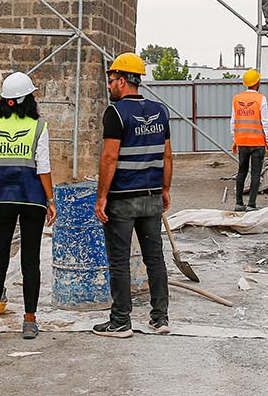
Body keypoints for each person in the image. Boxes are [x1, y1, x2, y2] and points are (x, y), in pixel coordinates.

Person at [93, 52, 172, 337]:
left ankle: (120, 321)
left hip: (123, 199)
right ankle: (160, 318)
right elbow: (167, 155)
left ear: (124, 81)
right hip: (151, 197)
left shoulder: (115, 113)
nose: (110, 85)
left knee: (119, 260)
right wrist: (165, 189)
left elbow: (109, 158)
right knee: (155, 259)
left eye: (112, 80)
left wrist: (101, 196)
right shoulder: (160, 111)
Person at [0, 70, 56, 344]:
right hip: (32, 199)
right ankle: (30, 322)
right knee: (30, 261)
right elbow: (43, 167)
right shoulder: (39, 128)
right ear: (26, 100)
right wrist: (50, 199)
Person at [231, 68, 268, 212]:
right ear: (257, 82)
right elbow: (265, 122)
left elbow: (233, 121)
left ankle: (238, 203)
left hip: (242, 142)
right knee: (255, 173)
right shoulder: (261, 99)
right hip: (257, 143)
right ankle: (251, 204)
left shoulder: (237, 99)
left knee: (241, 172)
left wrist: (235, 140)